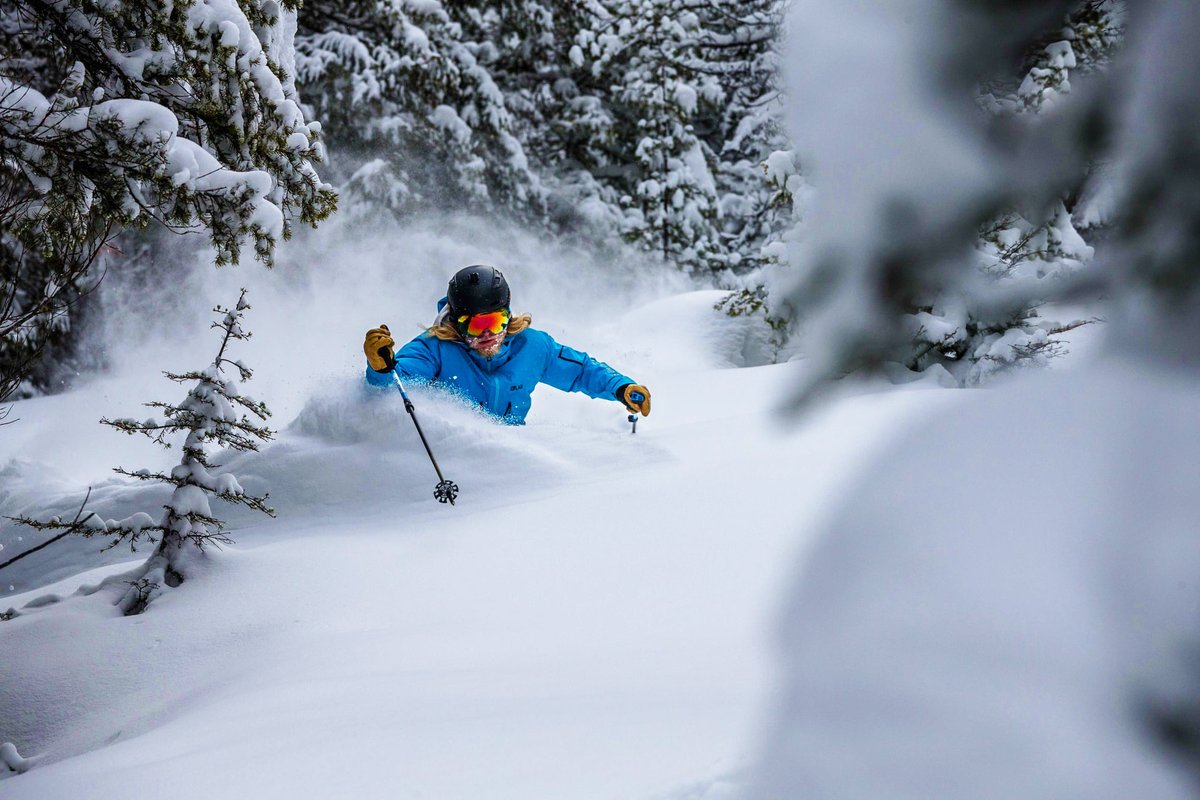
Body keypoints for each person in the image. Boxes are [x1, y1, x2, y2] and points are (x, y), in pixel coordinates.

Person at [362, 265, 651, 424]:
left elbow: (581, 371)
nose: (488, 334)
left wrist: (620, 387)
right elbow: (399, 383)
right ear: (457, 323)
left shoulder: (532, 346)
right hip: (456, 460)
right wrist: (380, 368)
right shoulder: (434, 349)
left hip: (511, 464)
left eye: (496, 322)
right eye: (476, 325)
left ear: (508, 314)